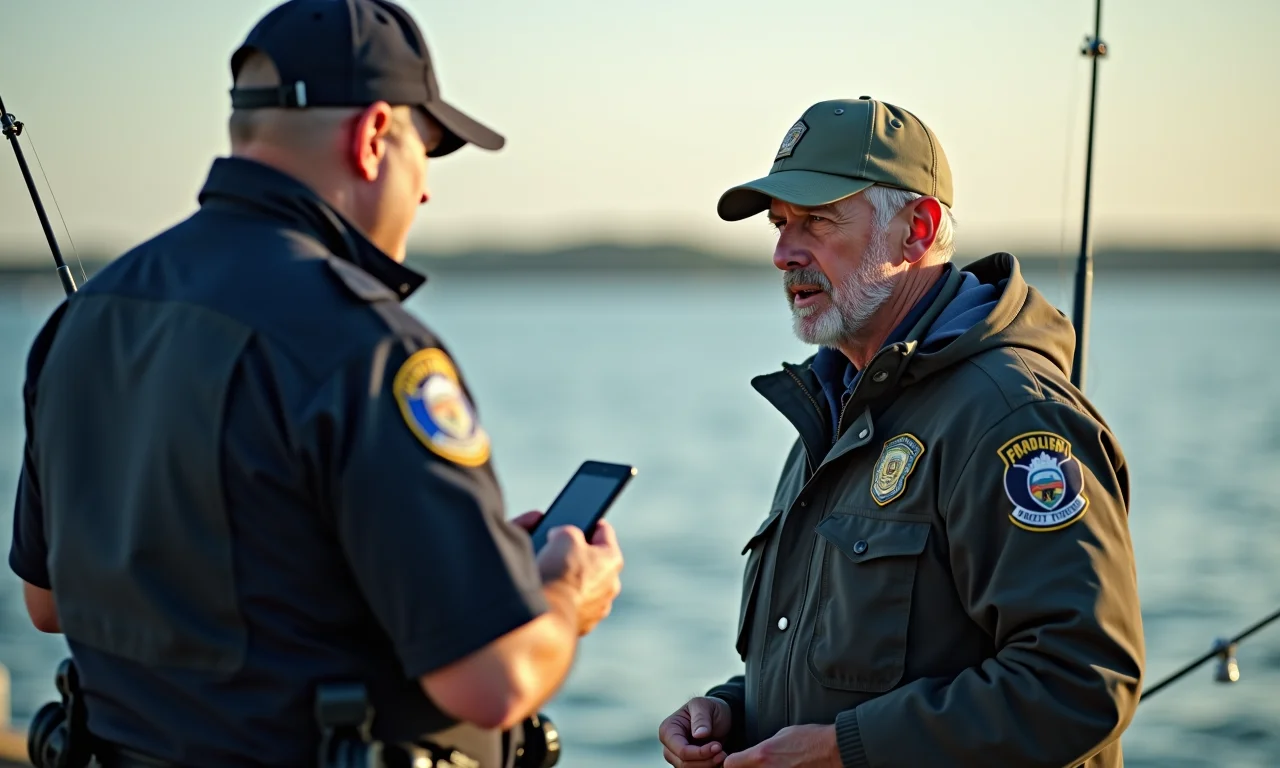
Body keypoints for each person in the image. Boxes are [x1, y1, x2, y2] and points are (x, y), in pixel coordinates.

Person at [7, 1, 623, 766]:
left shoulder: (82, 321)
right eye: (426, 151)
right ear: (374, 137)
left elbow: (50, 601)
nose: (424, 192)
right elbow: (494, 680)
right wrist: (562, 592)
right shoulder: (367, 346)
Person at [657, 96, 1144, 768]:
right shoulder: (834, 405)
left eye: (817, 220)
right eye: (779, 224)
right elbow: (851, 666)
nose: (782, 253)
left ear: (917, 230)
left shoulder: (1009, 415)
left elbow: (1080, 683)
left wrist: (845, 750)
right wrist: (733, 714)